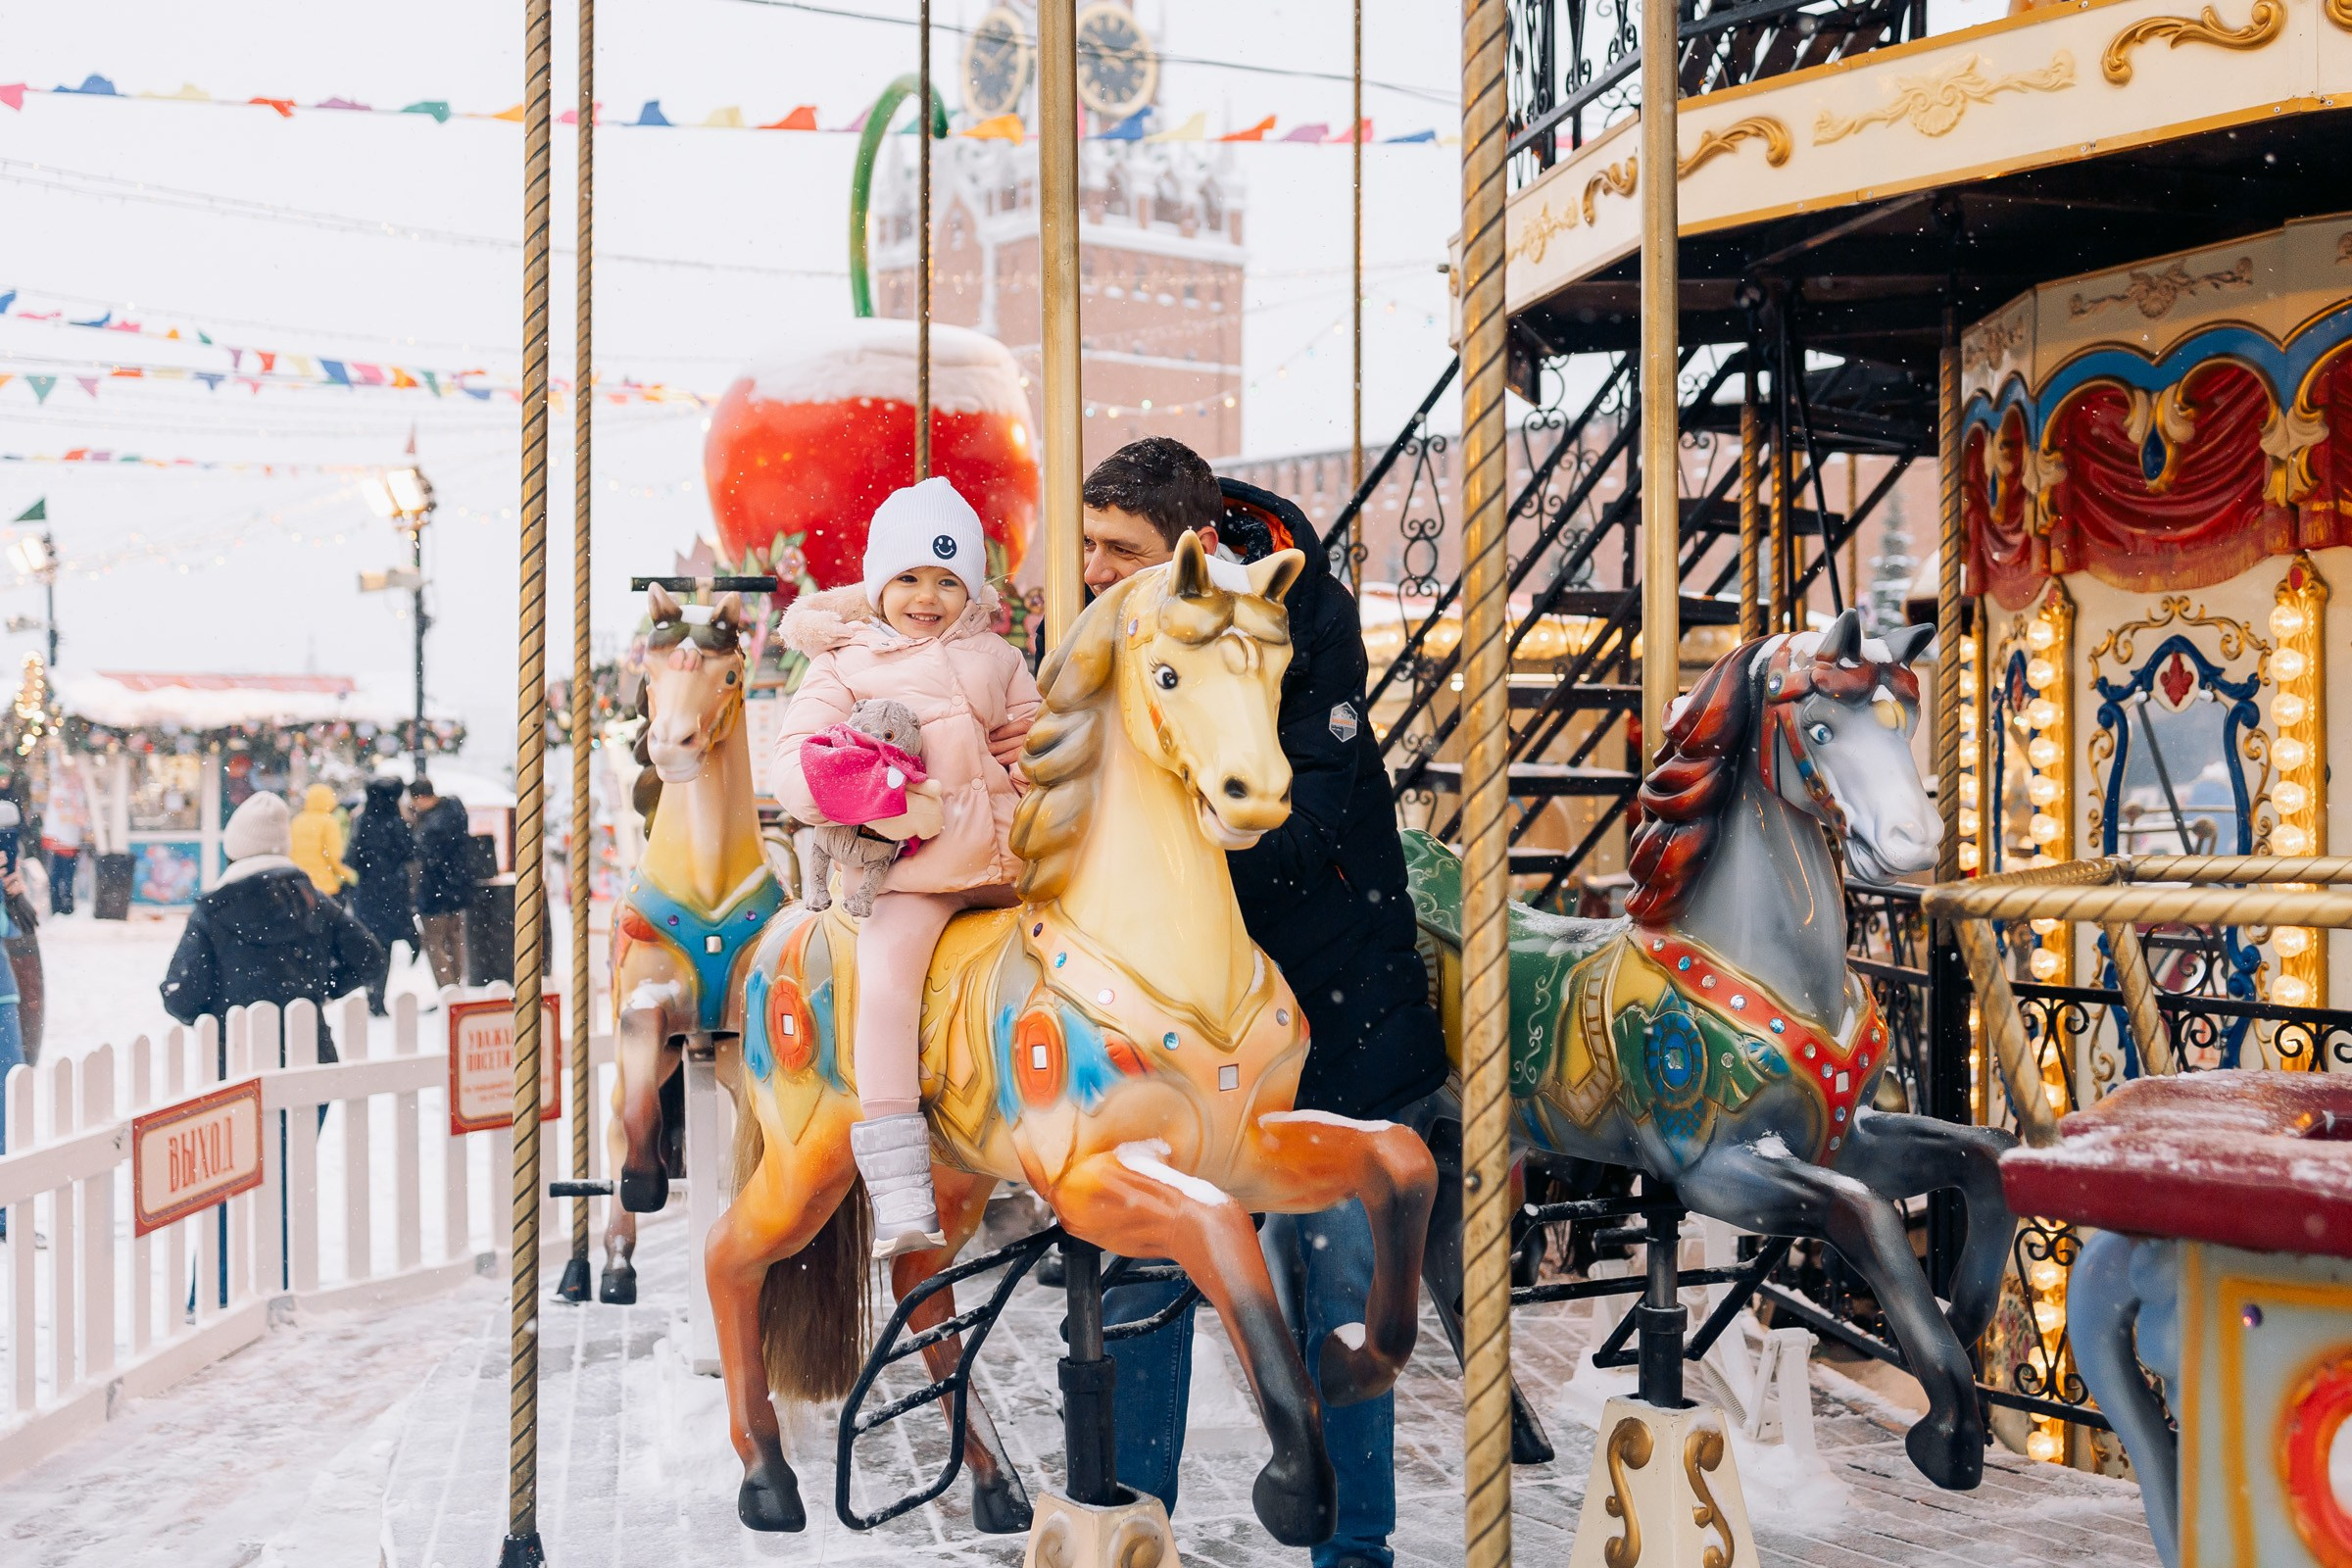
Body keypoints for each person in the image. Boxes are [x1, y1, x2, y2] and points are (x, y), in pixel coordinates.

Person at [1080, 436, 1447, 1568]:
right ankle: (1137, 1519)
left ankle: (1355, 1542)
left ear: (1189, 550)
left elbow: (1301, 813)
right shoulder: (1107, 616)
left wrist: (1163, 858)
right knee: (1144, 1257)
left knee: (1332, 1268)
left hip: (1325, 985)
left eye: (1120, 550)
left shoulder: (1302, 617)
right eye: (1087, 545)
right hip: (1175, 1007)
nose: (1095, 569)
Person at [772, 475, 1039, 1257]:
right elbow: (795, 762)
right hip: (915, 872)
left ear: (973, 588)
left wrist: (1037, 758)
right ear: (879, 583)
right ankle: (897, 1186)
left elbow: (1034, 732)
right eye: (911, 579)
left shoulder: (997, 656)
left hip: (1015, 860)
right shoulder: (845, 663)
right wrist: (871, 788)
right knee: (887, 988)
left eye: (949, 581)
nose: (928, 598)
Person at [159, 792, 384, 1057]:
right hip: (308, 1054)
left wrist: (214, 1016)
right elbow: (370, 959)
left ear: (233, 847)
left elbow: (182, 995)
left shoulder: (213, 911)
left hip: (237, 1057)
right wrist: (321, 990)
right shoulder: (314, 902)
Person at [345, 776, 421, 1016]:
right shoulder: (396, 822)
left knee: (371, 943)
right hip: (392, 891)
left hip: (367, 892)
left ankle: (373, 995)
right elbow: (410, 852)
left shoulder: (363, 820)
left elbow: (351, 858)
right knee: (385, 945)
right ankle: (378, 997)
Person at [410, 776, 475, 991]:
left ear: (420, 798)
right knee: (455, 938)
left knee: (434, 942)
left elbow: (423, 854)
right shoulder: (454, 812)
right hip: (457, 889)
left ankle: (447, 988)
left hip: (434, 891)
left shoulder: (432, 825)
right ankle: (456, 984)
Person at [289, 783, 355, 903]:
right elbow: (334, 858)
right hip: (325, 886)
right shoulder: (329, 822)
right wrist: (349, 876)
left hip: (301, 886)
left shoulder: (297, 820)